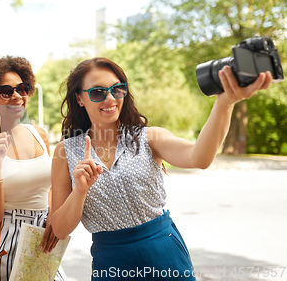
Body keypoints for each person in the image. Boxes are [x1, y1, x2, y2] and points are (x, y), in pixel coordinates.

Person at [51, 57, 272, 280]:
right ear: (79, 98)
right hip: (111, 262)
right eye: (98, 92)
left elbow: (199, 157)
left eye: (117, 89)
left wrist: (224, 103)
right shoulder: (65, 153)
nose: (110, 98)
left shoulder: (149, 137)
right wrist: (79, 191)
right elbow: (59, 230)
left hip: (164, 253)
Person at [0, 56, 67, 281]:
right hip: (1, 247)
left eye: (22, 88)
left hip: (41, 243)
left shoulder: (39, 135)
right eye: (6, 91)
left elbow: (47, 188)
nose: (18, 96)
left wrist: (51, 216)